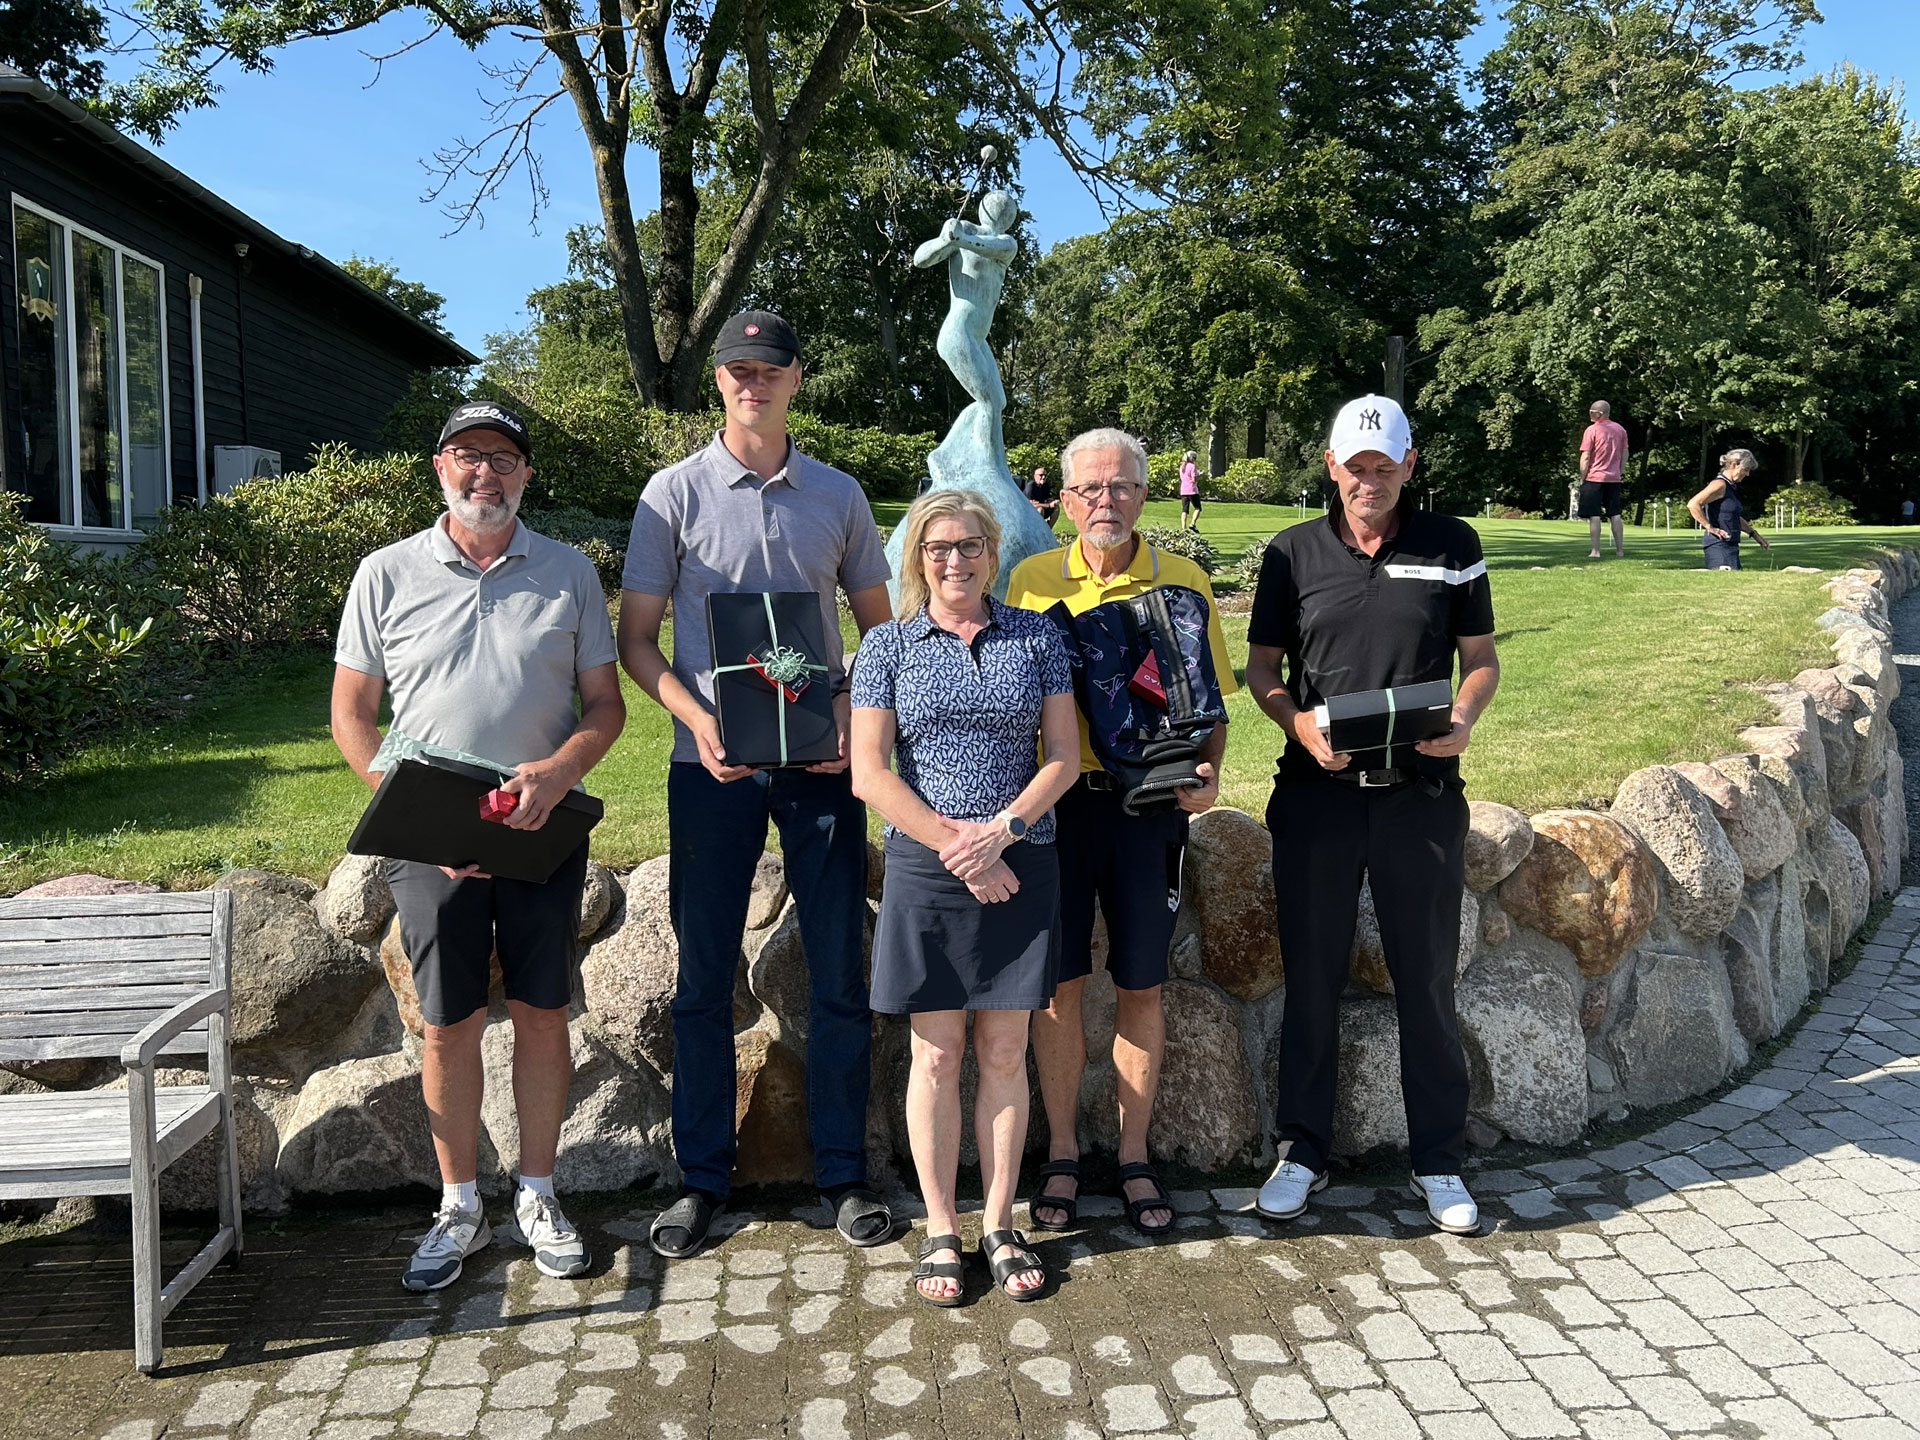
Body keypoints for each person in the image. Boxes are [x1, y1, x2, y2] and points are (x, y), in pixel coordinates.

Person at [618, 310, 896, 1260]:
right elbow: (636, 641)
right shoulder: (672, 494)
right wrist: (697, 720)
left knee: (839, 972)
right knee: (701, 979)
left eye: (769, 369)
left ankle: (842, 1175)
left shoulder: (839, 495)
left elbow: (880, 634)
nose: (753, 382)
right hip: (712, 766)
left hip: (820, 768)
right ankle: (701, 1180)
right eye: (738, 369)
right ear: (720, 381)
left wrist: (848, 712)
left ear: (795, 379)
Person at [331, 399, 627, 1290]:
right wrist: (416, 816)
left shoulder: (569, 572)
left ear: (525, 473)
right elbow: (352, 715)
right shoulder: (384, 573)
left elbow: (605, 705)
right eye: (467, 456)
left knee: (542, 1012)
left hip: (540, 828)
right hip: (430, 841)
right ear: (440, 468)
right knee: (448, 1022)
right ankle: (459, 1206)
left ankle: (538, 1194)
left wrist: (562, 771)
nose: (484, 473)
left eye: (502, 457)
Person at [1244, 394, 1499, 1236]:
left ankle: (1438, 1159)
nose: (1369, 481)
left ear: (1408, 464)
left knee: (1425, 980)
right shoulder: (1291, 553)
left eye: (1384, 466)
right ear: (1331, 466)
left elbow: (1480, 661)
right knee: (1311, 978)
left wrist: (1463, 718)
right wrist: (1296, 724)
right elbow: (1262, 669)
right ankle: (1302, 1151)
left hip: (1419, 799)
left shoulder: (1453, 545)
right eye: (1355, 467)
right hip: (1316, 797)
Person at [1005, 429, 1237, 1240]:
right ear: (1065, 501)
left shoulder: (1185, 579)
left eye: (1122, 487)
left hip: (1150, 807)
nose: (1106, 501)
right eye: (1090, 489)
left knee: (1142, 984)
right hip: (1058, 808)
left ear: (1144, 494)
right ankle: (1065, 1153)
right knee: (1060, 985)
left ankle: (1135, 1156)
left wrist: (1209, 778)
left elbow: (1212, 700)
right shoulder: (1031, 580)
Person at [850, 489, 1081, 1306]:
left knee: (1006, 1051)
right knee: (938, 1055)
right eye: (938, 546)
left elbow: (1063, 756)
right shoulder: (886, 646)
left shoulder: (1037, 636)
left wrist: (1002, 832)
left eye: (970, 544)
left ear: (992, 550)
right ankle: (942, 1228)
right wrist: (961, 847)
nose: (956, 560)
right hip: (927, 867)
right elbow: (869, 772)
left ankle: (1000, 1224)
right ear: (917, 556)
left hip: (1021, 862)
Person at [1687, 449, 1769, 570]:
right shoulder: (1720, 484)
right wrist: (1710, 527)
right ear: (1734, 465)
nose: (1747, 474)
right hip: (1718, 546)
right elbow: (1693, 504)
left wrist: (1755, 535)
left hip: (1730, 545)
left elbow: (1733, 517)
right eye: (1746, 469)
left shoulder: (1730, 487)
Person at [1577, 401, 1630, 559]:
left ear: (1599, 414)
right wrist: (1620, 471)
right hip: (1613, 478)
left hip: (1594, 477)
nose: (1589, 414)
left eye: (1591, 411)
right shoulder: (1620, 429)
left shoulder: (1592, 430)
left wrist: (1582, 477)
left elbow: (1586, 456)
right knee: (1615, 514)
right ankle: (1619, 551)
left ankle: (1595, 551)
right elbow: (1625, 453)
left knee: (1594, 515)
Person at [1178, 450, 1202, 531]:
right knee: (1198, 508)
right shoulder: (1192, 466)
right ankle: (1192, 523)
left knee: (1184, 510)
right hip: (1192, 490)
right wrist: (1198, 476)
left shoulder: (1182, 467)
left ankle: (1183, 528)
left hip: (1183, 490)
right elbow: (1193, 479)